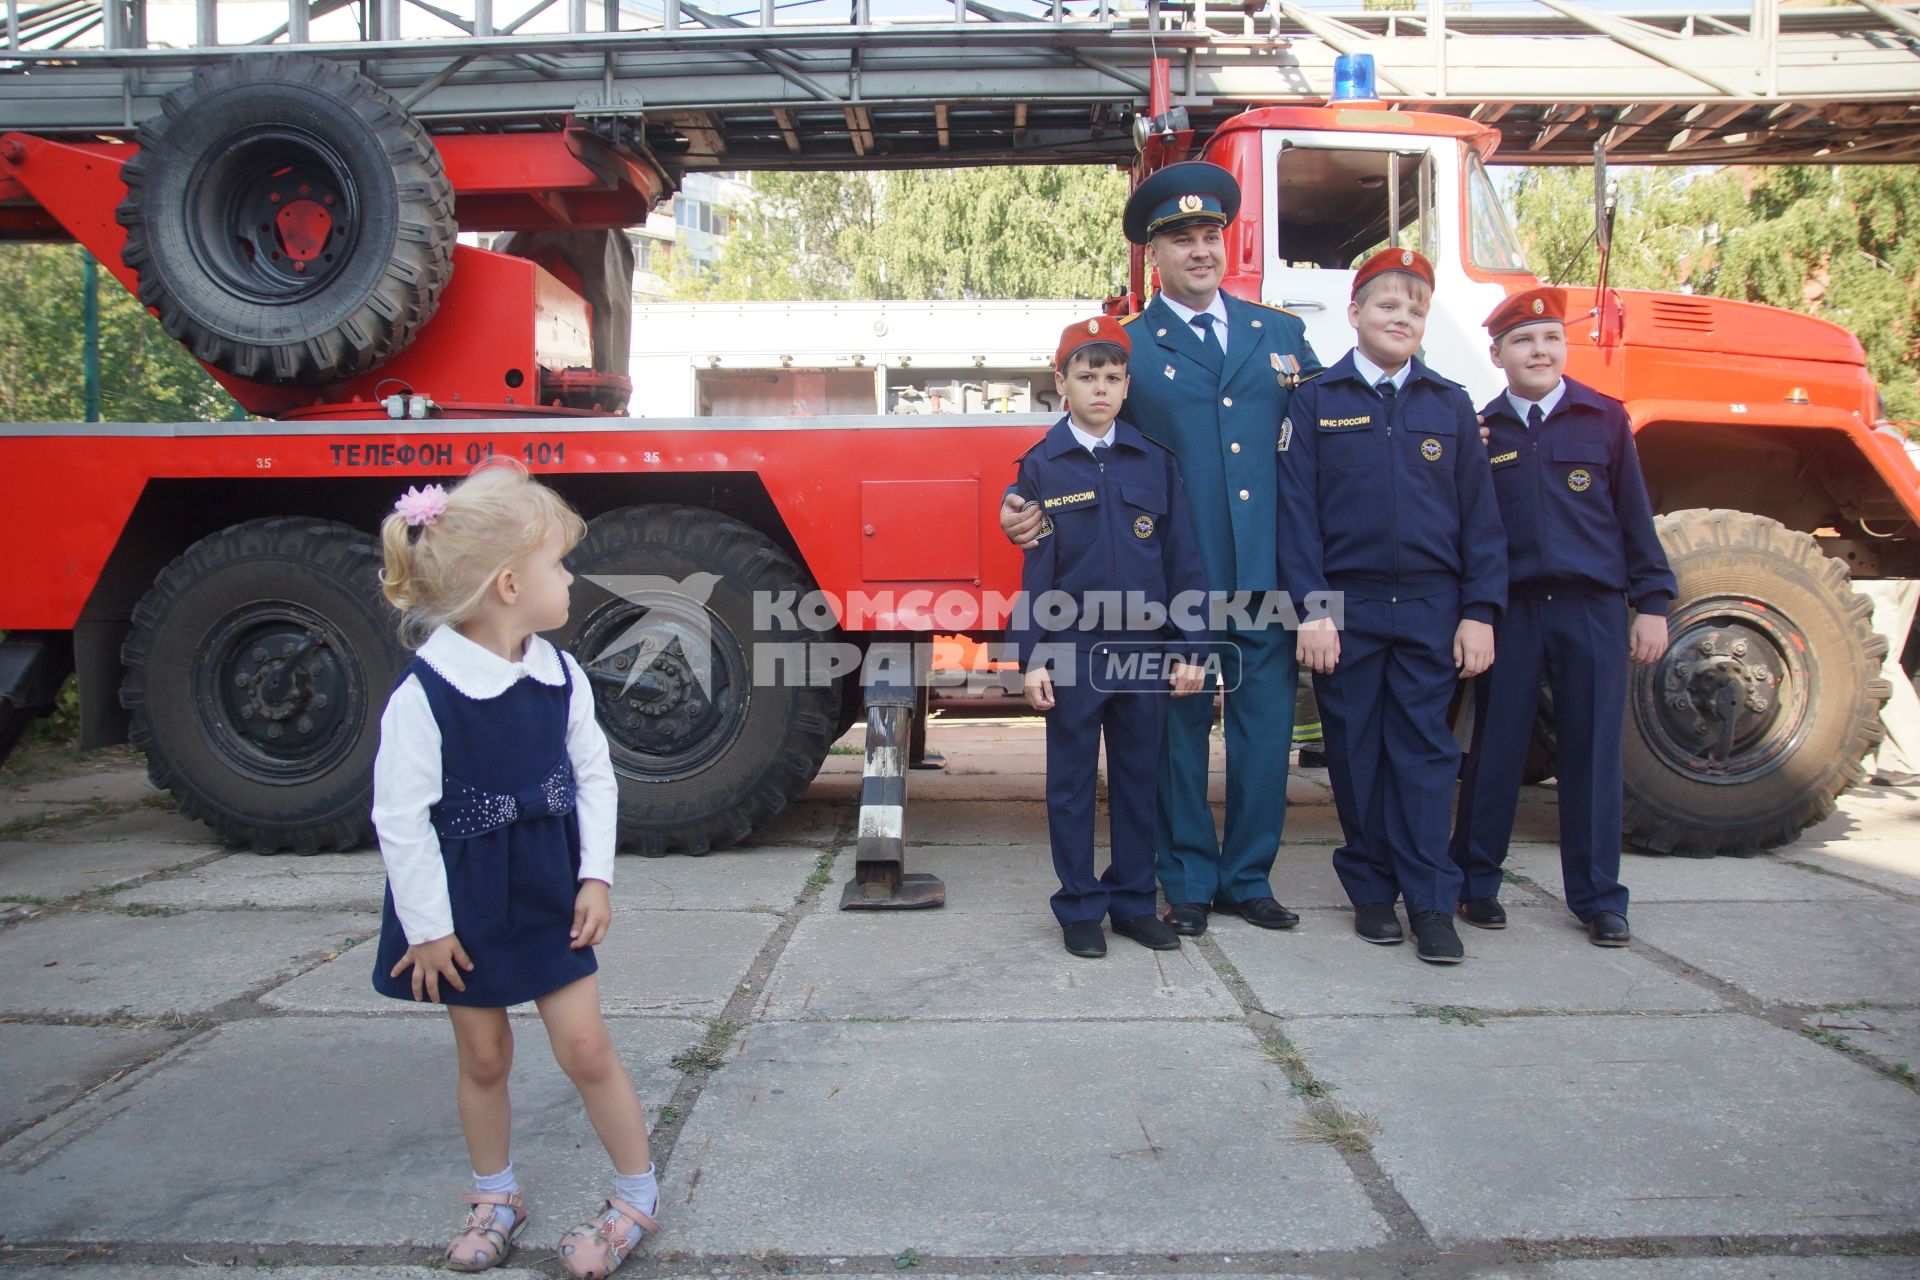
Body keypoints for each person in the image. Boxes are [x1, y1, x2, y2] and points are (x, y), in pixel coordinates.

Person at [1001, 160, 1321, 938]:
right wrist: (1023, 503)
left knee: (1263, 735)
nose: (1201, 250)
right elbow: (1085, 437)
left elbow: (1315, 448)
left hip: (1267, 572)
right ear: (1155, 254)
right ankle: (1186, 880)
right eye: (1182, 239)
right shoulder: (1130, 347)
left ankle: (1249, 876)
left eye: (1211, 235)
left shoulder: (1280, 335)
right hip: (1175, 583)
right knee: (1171, 742)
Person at [369, 461, 658, 1277]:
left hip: (545, 887)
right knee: (485, 1055)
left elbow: (594, 775)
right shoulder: (424, 695)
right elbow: (400, 822)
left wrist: (595, 876)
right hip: (458, 907)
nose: (569, 578)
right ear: (507, 585)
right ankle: (495, 1194)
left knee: (585, 1046)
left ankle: (637, 1192)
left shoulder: (560, 674)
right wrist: (427, 931)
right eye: (558, 565)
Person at [1279, 248, 1506, 965]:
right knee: (1354, 753)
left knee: (1426, 756)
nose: (1401, 317)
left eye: (1414, 307)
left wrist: (1480, 611)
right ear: (1354, 315)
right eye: (1386, 305)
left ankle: (1431, 901)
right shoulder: (1316, 401)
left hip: (1432, 609)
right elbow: (1296, 515)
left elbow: (1482, 522)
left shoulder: (1450, 405)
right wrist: (1312, 611)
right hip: (1347, 609)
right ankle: (1372, 891)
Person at [1449, 286, 1675, 948]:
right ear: (1497, 354)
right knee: (1495, 751)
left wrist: (1652, 603)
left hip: (1593, 607)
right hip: (1512, 609)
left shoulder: (1604, 420)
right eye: (1522, 340)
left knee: (1593, 752)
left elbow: (1635, 518)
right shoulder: (1481, 431)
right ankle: (1477, 883)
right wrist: (1474, 610)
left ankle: (1600, 897)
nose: (1538, 350)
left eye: (1549, 338)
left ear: (1564, 348)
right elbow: (1469, 533)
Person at [1011, 317, 1209, 957]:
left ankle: (1131, 902)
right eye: (1087, 376)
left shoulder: (1154, 461)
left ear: (1128, 385)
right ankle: (1077, 908)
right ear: (1061, 382)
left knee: (1137, 778)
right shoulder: (1041, 467)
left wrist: (1190, 646)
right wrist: (1031, 656)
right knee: (1069, 783)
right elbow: (1035, 571)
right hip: (1072, 652)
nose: (1101, 388)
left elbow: (1184, 562)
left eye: (1113, 377)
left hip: (1143, 652)